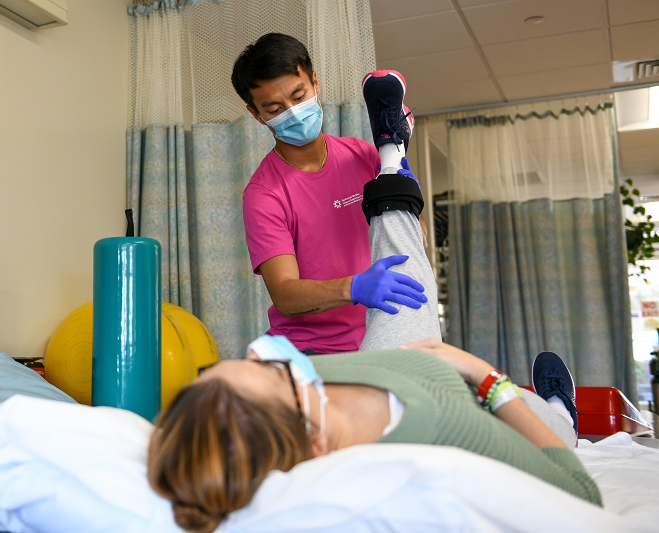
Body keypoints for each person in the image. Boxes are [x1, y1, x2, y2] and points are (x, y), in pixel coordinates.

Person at [147, 335, 600, 533]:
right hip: (484, 401)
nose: (262, 352)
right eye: (265, 370)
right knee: (543, 414)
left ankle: (390, 165)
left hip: (421, 361)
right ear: (315, 441)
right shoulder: (440, 445)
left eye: (245, 360)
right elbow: (580, 495)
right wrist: (486, 377)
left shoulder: (304, 388)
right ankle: (562, 409)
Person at [232, 33, 436, 354]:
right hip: (311, 349)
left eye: (299, 95)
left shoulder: (361, 155)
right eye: (274, 108)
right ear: (257, 114)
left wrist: (404, 203)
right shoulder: (264, 194)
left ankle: (393, 157)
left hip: (378, 331)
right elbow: (285, 295)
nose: (293, 112)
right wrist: (354, 287)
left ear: (315, 82)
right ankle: (393, 151)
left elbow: (415, 240)